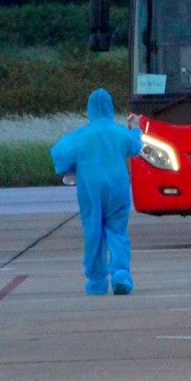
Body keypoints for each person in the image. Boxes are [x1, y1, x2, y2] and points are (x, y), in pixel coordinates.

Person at [50, 88, 143, 295]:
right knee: (118, 231)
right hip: (118, 186)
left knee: (93, 230)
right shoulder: (119, 132)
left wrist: (69, 168)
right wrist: (135, 129)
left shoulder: (81, 136)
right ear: (110, 108)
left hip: (91, 188)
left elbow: (58, 153)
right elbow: (136, 146)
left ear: (90, 109)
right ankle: (121, 275)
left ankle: (97, 281)